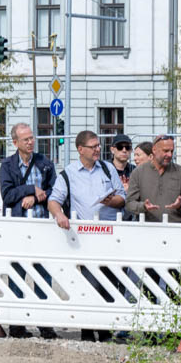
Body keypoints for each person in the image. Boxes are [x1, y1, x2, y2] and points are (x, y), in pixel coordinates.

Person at [47, 130, 127, 341]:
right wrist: (59, 214)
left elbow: (123, 196)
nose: (97, 150)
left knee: (110, 281)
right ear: (80, 149)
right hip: (86, 237)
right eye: (93, 147)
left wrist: (113, 201)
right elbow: (53, 199)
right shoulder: (69, 174)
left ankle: (106, 331)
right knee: (89, 283)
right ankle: (87, 330)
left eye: (99, 146)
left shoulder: (108, 169)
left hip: (110, 235)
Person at [0, 122, 58, 339]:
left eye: (32, 138)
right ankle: (17, 325)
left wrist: (36, 197)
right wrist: (31, 189)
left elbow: (55, 189)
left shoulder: (44, 163)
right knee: (17, 273)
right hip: (18, 227)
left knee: (43, 274)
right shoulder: (8, 165)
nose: (31, 142)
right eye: (26, 139)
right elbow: (7, 195)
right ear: (16, 142)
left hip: (42, 226)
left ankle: (45, 324)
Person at [124, 134, 181, 223]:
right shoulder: (138, 173)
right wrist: (143, 206)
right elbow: (130, 203)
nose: (169, 155)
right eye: (166, 151)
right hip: (148, 229)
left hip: (175, 229)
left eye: (172, 151)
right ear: (154, 150)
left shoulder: (180, 172)